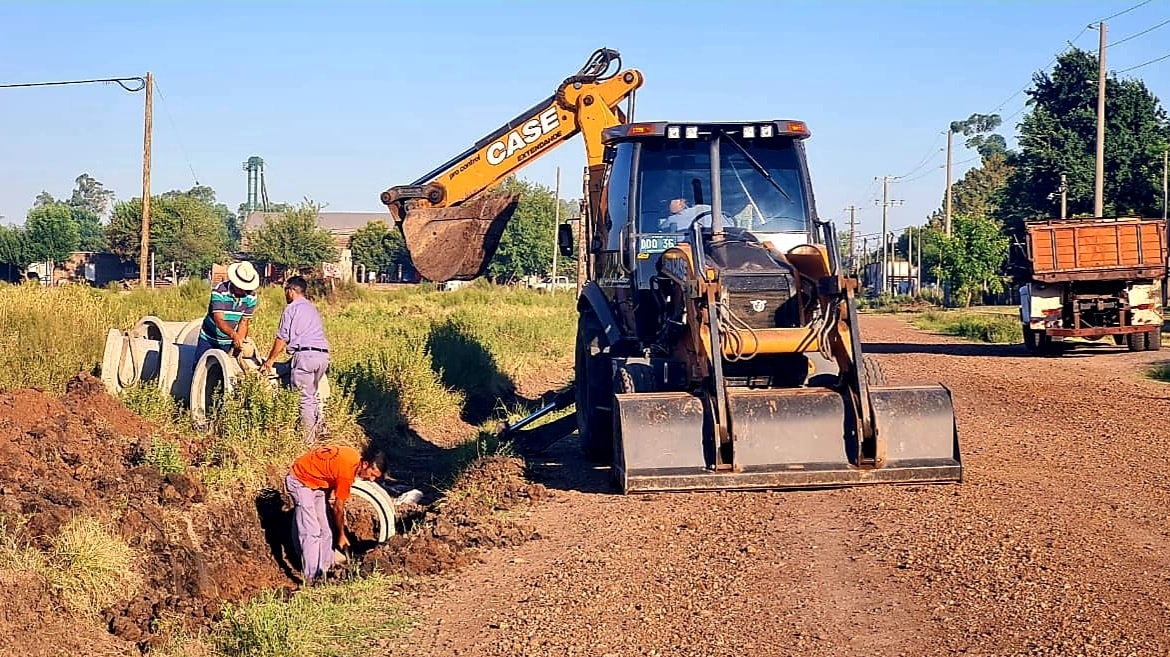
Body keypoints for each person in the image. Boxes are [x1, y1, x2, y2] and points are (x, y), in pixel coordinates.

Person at [285, 444, 385, 586]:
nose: (372, 479)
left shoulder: (353, 457)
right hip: (300, 481)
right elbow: (338, 508)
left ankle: (327, 571)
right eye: (372, 474)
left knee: (326, 530)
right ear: (365, 464)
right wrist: (342, 535)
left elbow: (329, 469)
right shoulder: (346, 473)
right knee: (311, 531)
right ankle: (312, 579)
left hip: (318, 484)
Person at [260, 275, 331, 442]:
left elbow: (281, 339)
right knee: (312, 394)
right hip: (323, 357)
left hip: (305, 356)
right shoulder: (312, 308)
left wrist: (269, 361)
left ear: (291, 291)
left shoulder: (291, 309)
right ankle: (320, 430)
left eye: (286, 291)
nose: (285, 294)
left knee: (303, 399)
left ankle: (308, 441)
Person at [195, 261, 261, 363]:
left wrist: (240, 340)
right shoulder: (220, 291)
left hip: (228, 341)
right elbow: (219, 319)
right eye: (241, 287)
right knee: (200, 365)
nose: (243, 290)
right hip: (209, 338)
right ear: (234, 283)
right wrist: (234, 335)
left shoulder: (251, 297)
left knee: (224, 367)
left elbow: (244, 322)